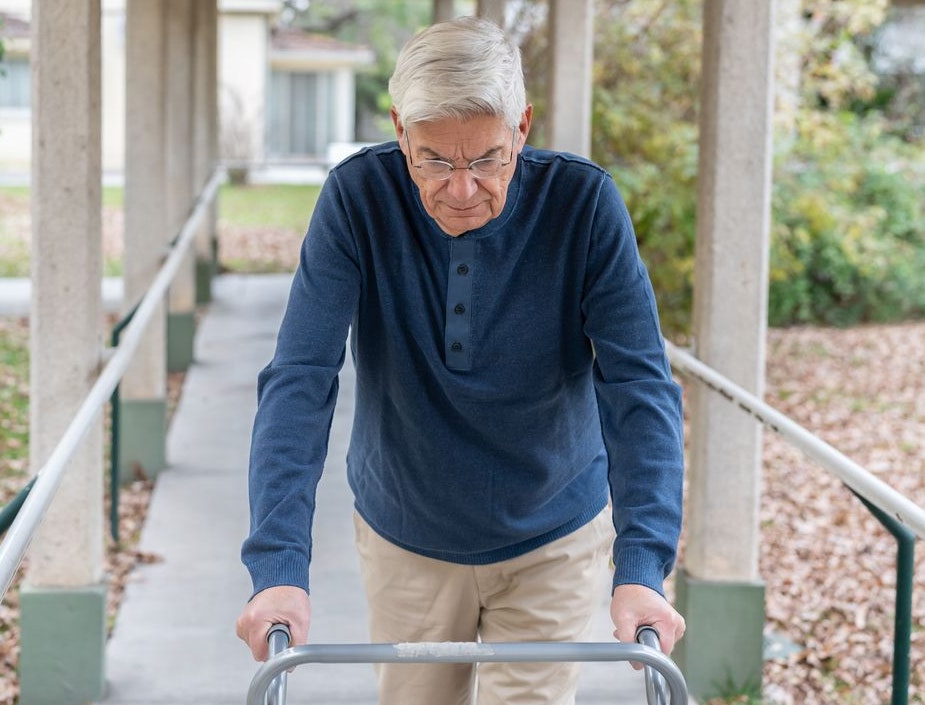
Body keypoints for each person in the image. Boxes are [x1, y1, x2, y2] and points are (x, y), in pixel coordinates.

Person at [234, 15, 686, 705]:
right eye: (435, 161)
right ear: (398, 131)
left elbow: (638, 385)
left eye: (486, 159)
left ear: (522, 129)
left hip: (552, 533)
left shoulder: (583, 204)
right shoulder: (356, 199)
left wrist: (643, 564)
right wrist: (277, 566)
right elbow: (300, 379)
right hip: (406, 533)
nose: (461, 188)